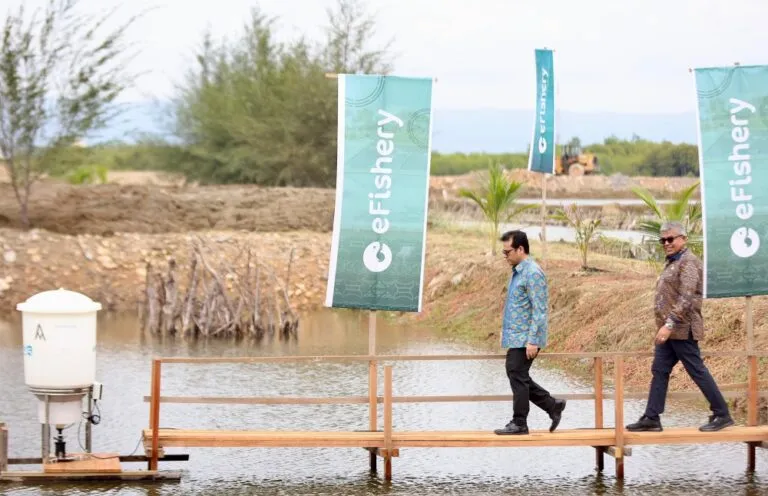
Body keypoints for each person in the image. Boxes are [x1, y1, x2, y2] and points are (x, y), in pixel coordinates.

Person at [627, 221, 734, 432]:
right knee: (659, 370)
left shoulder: (689, 262)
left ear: (683, 239)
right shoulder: (673, 262)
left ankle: (722, 414)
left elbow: (686, 298)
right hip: (669, 332)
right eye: (663, 240)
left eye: (670, 239)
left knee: (696, 370)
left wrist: (668, 325)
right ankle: (651, 418)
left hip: (682, 329)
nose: (666, 243)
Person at [494, 230, 566, 435]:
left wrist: (533, 340)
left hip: (527, 337)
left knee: (516, 372)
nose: (505, 256)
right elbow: (517, 306)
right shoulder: (518, 272)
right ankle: (553, 406)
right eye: (503, 252)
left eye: (507, 252)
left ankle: (520, 422)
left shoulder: (533, 272)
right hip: (517, 336)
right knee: (517, 373)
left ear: (520, 249)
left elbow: (540, 309)